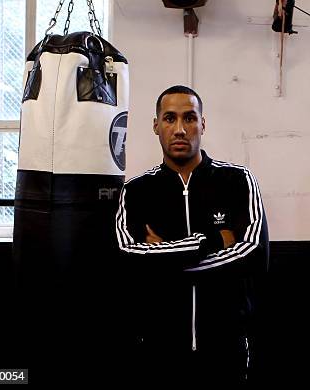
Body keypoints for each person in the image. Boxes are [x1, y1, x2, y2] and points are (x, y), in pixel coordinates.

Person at [115, 85, 269, 385]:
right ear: (156, 125)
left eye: (189, 118)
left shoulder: (237, 181)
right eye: (170, 119)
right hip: (159, 351)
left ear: (202, 124)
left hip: (225, 349)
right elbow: (127, 257)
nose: (180, 129)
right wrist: (211, 242)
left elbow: (253, 254)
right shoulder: (136, 192)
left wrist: (163, 258)